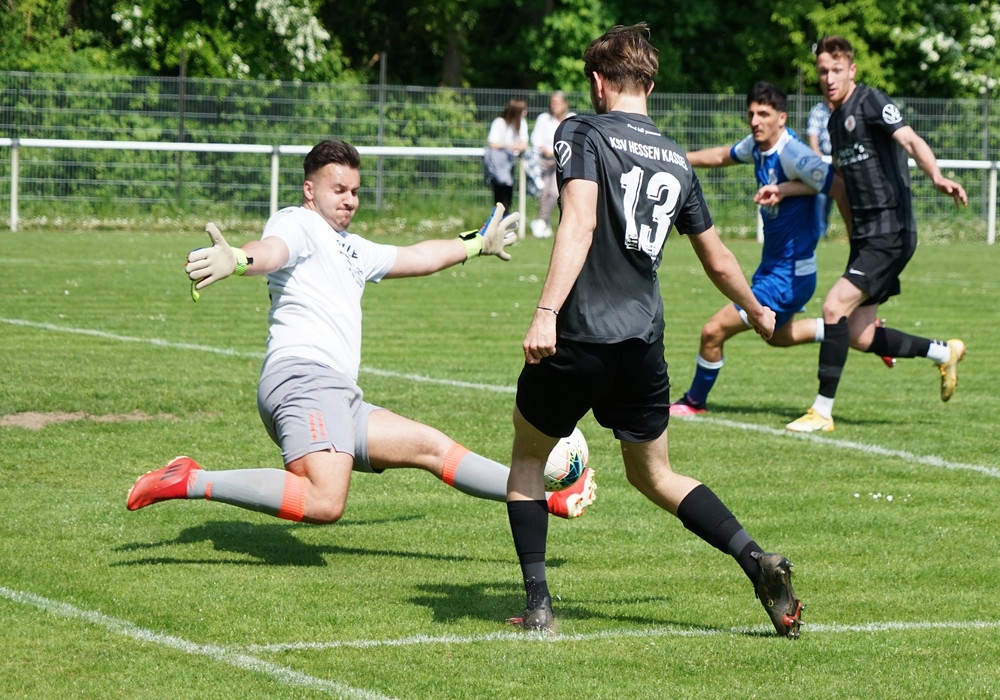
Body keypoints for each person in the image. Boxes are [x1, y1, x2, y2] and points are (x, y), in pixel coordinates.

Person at [505, 24, 803, 638]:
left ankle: (538, 605)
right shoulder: (674, 157)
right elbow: (716, 256)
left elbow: (580, 221)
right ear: (650, 84)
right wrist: (755, 309)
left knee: (528, 457)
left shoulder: (581, 131)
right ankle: (755, 560)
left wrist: (545, 312)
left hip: (582, 332)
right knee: (654, 475)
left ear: (598, 82)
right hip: (643, 342)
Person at [127, 139, 596, 525]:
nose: (349, 199)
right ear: (309, 189)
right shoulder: (298, 222)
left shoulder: (351, 247)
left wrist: (475, 244)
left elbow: (417, 257)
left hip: (339, 396)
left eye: (354, 190)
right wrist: (238, 259)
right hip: (304, 381)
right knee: (324, 501)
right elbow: (271, 250)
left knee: (433, 449)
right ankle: (191, 479)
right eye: (338, 189)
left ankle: (549, 499)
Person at [780, 36, 968, 433]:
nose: (829, 78)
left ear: (852, 70)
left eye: (836, 70)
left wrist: (936, 176)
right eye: (822, 72)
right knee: (860, 334)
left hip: (891, 229)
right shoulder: (834, 122)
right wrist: (785, 190)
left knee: (833, 307)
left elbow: (909, 138)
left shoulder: (870, 101)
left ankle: (821, 412)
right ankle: (944, 352)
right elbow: (841, 185)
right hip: (867, 237)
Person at [669, 81, 851, 416]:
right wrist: (675, 158)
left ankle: (694, 402)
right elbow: (721, 156)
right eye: (751, 113)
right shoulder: (757, 146)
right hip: (774, 270)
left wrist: (856, 246)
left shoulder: (793, 154)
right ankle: (846, 332)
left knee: (713, 331)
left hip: (788, 276)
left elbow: (836, 184)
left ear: (782, 118)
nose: (755, 121)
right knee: (777, 336)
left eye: (764, 114)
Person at [528, 91, 574, 239]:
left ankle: (541, 220)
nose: (555, 105)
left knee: (555, 192)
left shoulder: (571, 118)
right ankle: (545, 225)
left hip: (562, 160)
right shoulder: (544, 119)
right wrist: (544, 150)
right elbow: (536, 139)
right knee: (543, 193)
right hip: (544, 161)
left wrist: (555, 152)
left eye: (558, 102)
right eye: (553, 102)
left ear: (565, 104)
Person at [484, 99, 529, 213]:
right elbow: (492, 143)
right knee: (500, 192)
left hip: (511, 162)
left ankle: (506, 215)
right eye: (523, 110)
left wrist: (518, 147)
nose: (526, 112)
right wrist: (508, 145)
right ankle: (499, 217)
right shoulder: (499, 122)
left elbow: (524, 142)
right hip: (499, 163)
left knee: (508, 192)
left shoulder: (521, 123)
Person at [806, 95, 835, 237]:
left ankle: (825, 228)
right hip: (823, 160)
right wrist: (818, 155)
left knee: (836, 195)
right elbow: (813, 136)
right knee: (821, 196)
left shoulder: (844, 109)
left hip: (840, 159)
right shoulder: (818, 111)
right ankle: (820, 231)